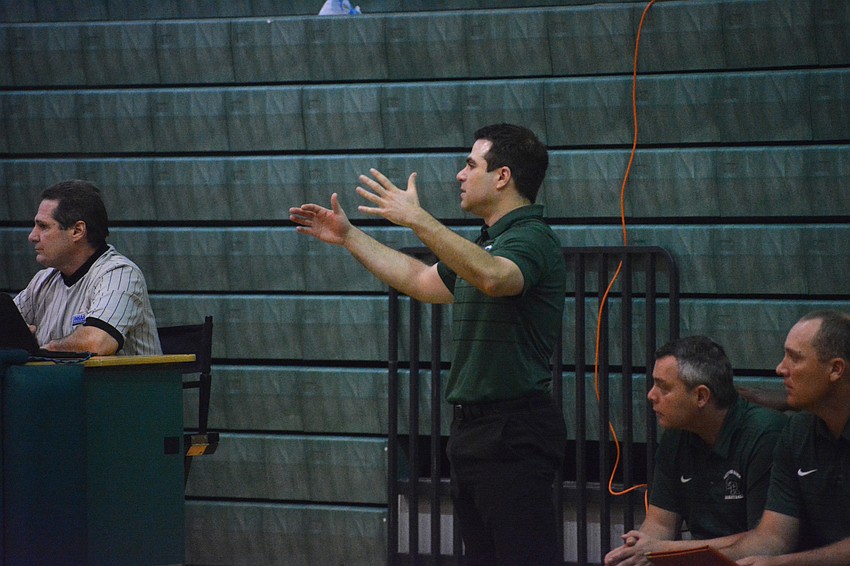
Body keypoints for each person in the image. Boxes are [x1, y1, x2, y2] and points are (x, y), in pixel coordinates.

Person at [290, 124, 567, 566]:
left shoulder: (530, 239)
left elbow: (496, 278)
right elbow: (422, 280)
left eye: (470, 164)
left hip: (513, 432)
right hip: (473, 433)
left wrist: (418, 218)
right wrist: (349, 237)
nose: (459, 175)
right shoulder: (487, 243)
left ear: (502, 177)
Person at [605, 336, 787, 566]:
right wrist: (639, 549)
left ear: (701, 396)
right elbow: (660, 524)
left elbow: (765, 542)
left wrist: (663, 550)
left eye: (664, 387)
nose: (651, 395)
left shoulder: (765, 435)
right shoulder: (677, 433)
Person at [703, 310, 850, 565]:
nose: (780, 368)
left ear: (836, 369)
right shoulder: (797, 432)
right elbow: (774, 538)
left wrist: (782, 564)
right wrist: (672, 556)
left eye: (795, 358)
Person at [14, 179, 162, 356]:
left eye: (43, 226)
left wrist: (45, 349)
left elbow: (97, 342)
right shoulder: (42, 281)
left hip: (124, 384)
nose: (32, 236)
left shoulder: (121, 274)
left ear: (77, 231)